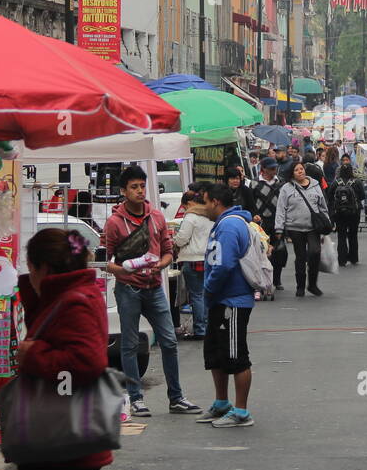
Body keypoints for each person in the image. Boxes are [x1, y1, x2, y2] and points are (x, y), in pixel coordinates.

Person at [6, 228, 111, 470]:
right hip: (76, 442)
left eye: (31, 267)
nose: (29, 274)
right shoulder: (74, 294)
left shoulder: (73, 301)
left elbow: (86, 361)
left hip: (58, 443)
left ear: (45, 269)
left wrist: (33, 356)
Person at [102, 165, 201, 417]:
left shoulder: (156, 217)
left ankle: (176, 397)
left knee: (169, 341)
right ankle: (136, 398)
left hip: (155, 286)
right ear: (123, 191)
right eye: (133, 187)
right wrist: (120, 271)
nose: (139, 191)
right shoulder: (114, 223)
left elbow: (169, 250)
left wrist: (161, 263)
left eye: (142, 186)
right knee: (130, 344)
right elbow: (105, 258)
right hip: (127, 289)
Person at [196, 183, 257, 428]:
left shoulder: (230, 224)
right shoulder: (223, 223)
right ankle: (222, 402)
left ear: (215, 202)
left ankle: (241, 411)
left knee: (236, 356)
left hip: (232, 300)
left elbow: (224, 264)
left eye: (205, 202)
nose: (204, 207)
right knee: (216, 354)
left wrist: (209, 288)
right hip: (220, 300)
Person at [274, 161, 330, 297]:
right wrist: (279, 228)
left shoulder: (316, 185)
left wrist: (326, 222)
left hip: (313, 228)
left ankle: (312, 284)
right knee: (300, 257)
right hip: (295, 228)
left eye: (302, 169)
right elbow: (281, 209)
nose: (300, 171)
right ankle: (300, 286)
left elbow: (323, 206)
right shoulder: (286, 188)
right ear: (291, 173)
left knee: (315, 252)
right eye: (296, 170)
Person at [171, 190, 211, 340]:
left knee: (196, 295)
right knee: (205, 294)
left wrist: (175, 241)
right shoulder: (209, 215)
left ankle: (200, 329)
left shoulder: (191, 217)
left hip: (192, 258)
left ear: (188, 204)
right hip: (207, 258)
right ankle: (207, 326)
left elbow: (182, 239)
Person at [243, 157, 285, 296]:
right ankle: (263, 280)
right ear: (264, 169)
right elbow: (250, 202)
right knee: (262, 252)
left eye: (275, 168)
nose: (274, 170)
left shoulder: (281, 183)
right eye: (272, 168)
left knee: (279, 251)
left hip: (277, 221)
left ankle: (276, 279)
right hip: (260, 223)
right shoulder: (254, 184)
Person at [330, 154, 365, 267]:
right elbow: (362, 196)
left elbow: (330, 195)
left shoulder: (336, 182)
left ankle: (342, 259)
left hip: (339, 213)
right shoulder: (357, 182)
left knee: (341, 235)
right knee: (353, 235)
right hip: (354, 212)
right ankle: (354, 258)